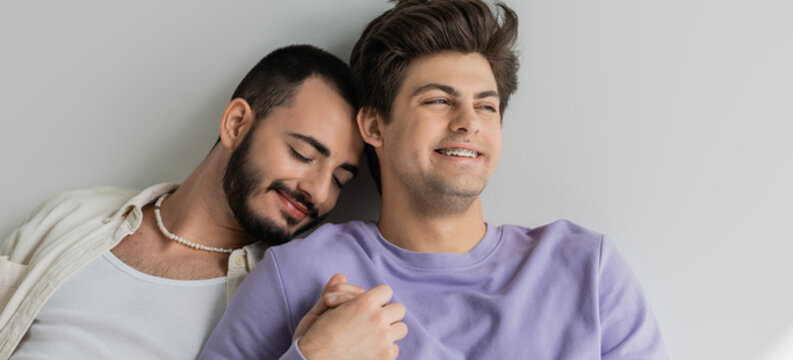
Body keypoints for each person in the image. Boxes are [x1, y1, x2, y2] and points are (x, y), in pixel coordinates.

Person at [200, 0, 668, 358]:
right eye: (439, 101)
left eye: (486, 105)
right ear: (375, 126)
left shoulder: (588, 270)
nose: (469, 122)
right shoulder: (297, 274)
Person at [0, 44, 380, 358]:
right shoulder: (70, 217)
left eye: (340, 179)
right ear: (236, 124)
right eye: (302, 154)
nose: (319, 191)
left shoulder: (281, 301)